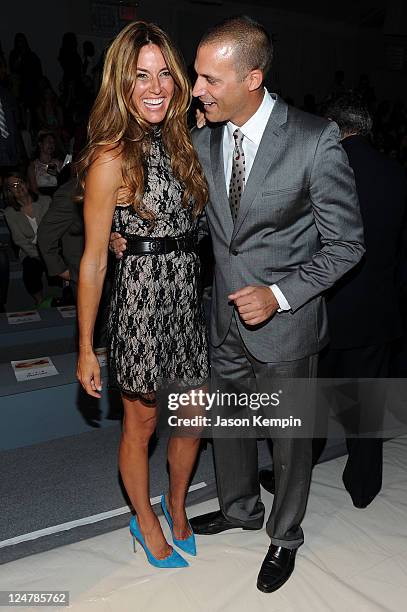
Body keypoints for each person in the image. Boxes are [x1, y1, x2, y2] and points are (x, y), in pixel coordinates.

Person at [111, 15, 365, 592]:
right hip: (220, 321)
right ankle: (239, 508)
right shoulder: (201, 140)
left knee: (286, 436)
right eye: (194, 77)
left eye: (207, 80)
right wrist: (125, 234)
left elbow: (348, 243)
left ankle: (284, 536)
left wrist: (278, 296)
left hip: (286, 326)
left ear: (252, 78)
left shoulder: (312, 138)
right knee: (227, 425)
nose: (193, 90)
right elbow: (192, 222)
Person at [76, 21, 209, 569]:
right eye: (140, 77)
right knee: (143, 423)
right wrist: (86, 345)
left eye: (163, 75)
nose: (155, 88)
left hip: (185, 294)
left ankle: (175, 502)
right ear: (121, 85)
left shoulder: (185, 141)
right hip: (140, 301)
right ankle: (144, 517)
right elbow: (94, 259)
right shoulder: (112, 156)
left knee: (194, 414)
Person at [3, 170, 50, 306]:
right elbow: (19, 240)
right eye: (14, 185)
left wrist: (48, 252)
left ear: (27, 184)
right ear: (9, 192)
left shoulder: (46, 201)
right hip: (29, 251)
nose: (18, 187)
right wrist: (39, 255)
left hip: (50, 246)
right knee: (30, 269)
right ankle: (39, 300)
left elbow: (54, 230)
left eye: (20, 182)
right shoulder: (10, 213)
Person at [28, 132, 63, 197]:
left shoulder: (59, 163)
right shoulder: (33, 166)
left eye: (53, 142)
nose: (51, 144)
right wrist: (45, 200)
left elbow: (66, 184)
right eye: (48, 141)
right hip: (42, 198)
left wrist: (57, 174)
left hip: (58, 196)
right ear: (40, 144)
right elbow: (33, 189)